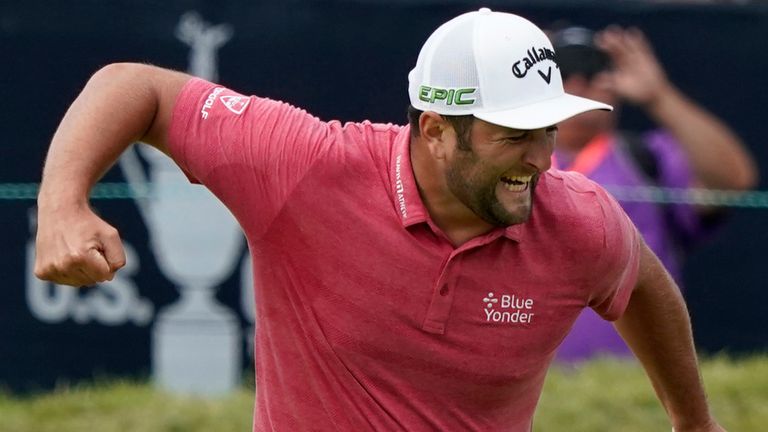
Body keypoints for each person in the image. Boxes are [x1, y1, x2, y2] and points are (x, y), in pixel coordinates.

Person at [34, 8, 726, 431]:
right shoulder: (307, 165)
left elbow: (642, 287)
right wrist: (63, 205)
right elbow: (134, 86)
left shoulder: (579, 220)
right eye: (513, 135)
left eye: (547, 131)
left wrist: (692, 421)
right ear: (434, 128)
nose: (542, 160)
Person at [550, 25, 758, 362]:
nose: (577, 83)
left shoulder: (649, 158)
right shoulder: (513, 161)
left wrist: (658, 95)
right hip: (530, 386)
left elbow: (732, 181)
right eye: (561, 71)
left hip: (638, 384)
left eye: (592, 71)